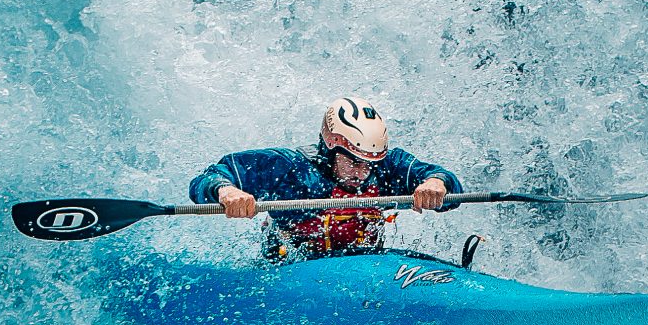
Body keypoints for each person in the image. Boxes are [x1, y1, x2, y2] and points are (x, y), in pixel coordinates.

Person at [191, 97, 462, 260]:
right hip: (292, 269)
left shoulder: (385, 166)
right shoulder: (291, 169)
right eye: (353, 161)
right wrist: (226, 192)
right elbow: (211, 175)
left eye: (369, 164)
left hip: (362, 265)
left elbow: (444, 181)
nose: (362, 172)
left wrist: (436, 184)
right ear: (331, 147)